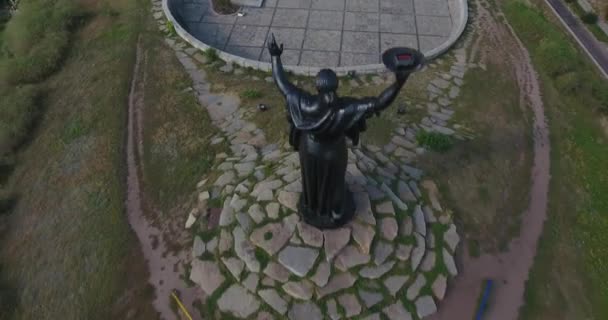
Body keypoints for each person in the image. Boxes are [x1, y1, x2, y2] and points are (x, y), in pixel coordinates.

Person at [268, 35, 412, 229]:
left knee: (312, 178)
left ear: (317, 86)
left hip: (309, 149)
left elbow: (282, 83)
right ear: (336, 86)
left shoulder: (302, 102)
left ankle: (313, 206)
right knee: (334, 181)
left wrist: (275, 56)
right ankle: (335, 211)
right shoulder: (346, 109)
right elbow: (379, 102)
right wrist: (399, 82)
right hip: (333, 152)